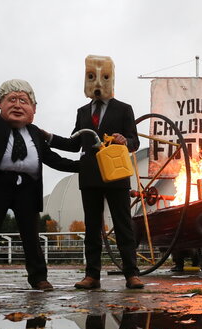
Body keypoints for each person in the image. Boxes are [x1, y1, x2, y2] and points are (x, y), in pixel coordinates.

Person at [0, 79, 78, 293]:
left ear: (34, 109)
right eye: (11, 100)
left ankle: (39, 278)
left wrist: (83, 167)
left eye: (23, 101)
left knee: (31, 236)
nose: (17, 105)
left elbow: (53, 159)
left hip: (28, 187)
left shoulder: (35, 132)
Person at [47, 55, 143, 290]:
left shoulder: (124, 109)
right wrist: (47, 138)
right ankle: (92, 275)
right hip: (89, 175)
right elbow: (74, 143)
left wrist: (125, 140)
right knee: (92, 227)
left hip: (116, 173)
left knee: (123, 225)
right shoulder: (82, 112)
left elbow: (135, 141)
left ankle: (131, 274)